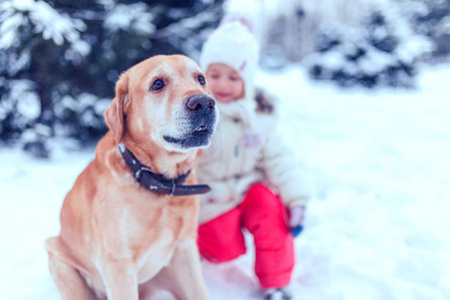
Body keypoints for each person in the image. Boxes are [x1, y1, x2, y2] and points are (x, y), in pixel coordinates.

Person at [196, 21, 310, 300]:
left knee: (270, 207)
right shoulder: (195, 113)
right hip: (208, 198)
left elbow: (280, 158)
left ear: (246, 82)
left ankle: (277, 283)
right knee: (223, 250)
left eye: (233, 78)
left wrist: (297, 199)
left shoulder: (258, 116)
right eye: (215, 75)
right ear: (202, 76)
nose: (222, 84)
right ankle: (195, 249)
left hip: (247, 189)